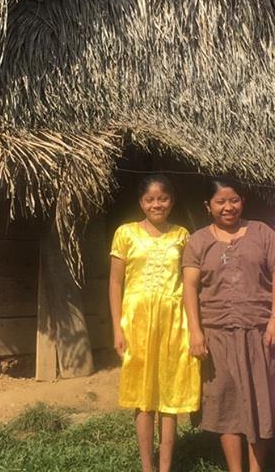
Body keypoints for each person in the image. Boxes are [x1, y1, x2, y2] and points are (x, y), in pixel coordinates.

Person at [182, 178, 275, 472]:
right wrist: (195, 331)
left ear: (242, 201)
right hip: (217, 333)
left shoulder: (262, 233)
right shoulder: (198, 241)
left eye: (234, 200)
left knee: (261, 399)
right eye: (220, 202)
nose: (228, 207)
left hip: (259, 331)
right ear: (209, 206)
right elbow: (189, 288)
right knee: (226, 400)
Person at [109, 174, 200, 472]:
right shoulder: (125, 233)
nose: (156, 204)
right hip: (137, 322)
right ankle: (147, 467)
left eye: (162, 198)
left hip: (175, 322)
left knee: (169, 396)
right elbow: (114, 283)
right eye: (150, 199)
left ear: (171, 201)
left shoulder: (182, 235)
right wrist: (116, 329)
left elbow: (190, 283)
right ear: (141, 203)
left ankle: (165, 467)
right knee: (143, 397)